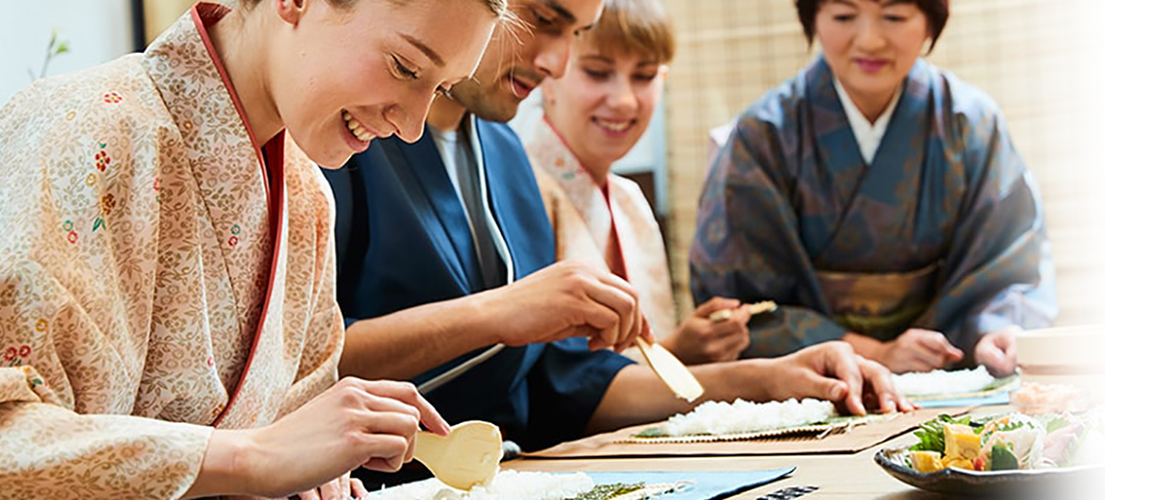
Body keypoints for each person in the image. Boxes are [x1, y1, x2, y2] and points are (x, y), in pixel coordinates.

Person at [325, 0, 914, 470]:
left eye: (576, 34)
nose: (556, 61)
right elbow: (303, 362)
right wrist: (497, 313)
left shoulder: (503, 154)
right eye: (543, 18)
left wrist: (770, 378)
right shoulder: (346, 134)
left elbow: (566, 387)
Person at [0, 0, 504, 498]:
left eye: (440, 89)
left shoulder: (306, 196)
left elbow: (299, 437)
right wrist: (253, 456)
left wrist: (322, 469)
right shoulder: (80, 129)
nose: (411, 128)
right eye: (405, 68)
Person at [690, 0, 1057, 376]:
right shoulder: (764, 135)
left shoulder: (971, 125)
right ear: (813, 18)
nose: (869, 41)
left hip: (945, 369)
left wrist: (995, 333)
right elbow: (739, 303)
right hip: (812, 380)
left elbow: (1011, 261)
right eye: (844, 16)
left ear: (930, 22)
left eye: (894, 16)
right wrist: (874, 353)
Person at [525, 0, 758, 366]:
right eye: (597, 72)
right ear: (548, 75)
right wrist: (674, 352)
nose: (623, 101)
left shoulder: (629, 200)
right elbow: (550, 376)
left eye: (644, 76)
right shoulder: (521, 190)